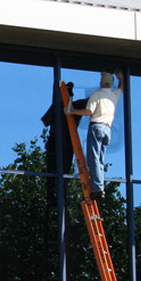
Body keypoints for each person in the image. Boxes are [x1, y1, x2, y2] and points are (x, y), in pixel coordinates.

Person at [67, 70, 125, 200]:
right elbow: (122, 87)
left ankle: (97, 188)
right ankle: (99, 187)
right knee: (99, 160)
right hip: (107, 130)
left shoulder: (97, 95)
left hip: (96, 127)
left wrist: (73, 111)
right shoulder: (114, 95)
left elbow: (89, 111)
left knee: (93, 159)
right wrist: (120, 77)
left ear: (100, 82)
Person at [42, 81, 86, 209]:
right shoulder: (61, 108)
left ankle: (58, 197)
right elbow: (46, 121)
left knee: (60, 172)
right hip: (57, 143)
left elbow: (89, 102)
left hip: (65, 144)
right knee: (54, 171)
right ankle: (53, 197)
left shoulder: (74, 108)